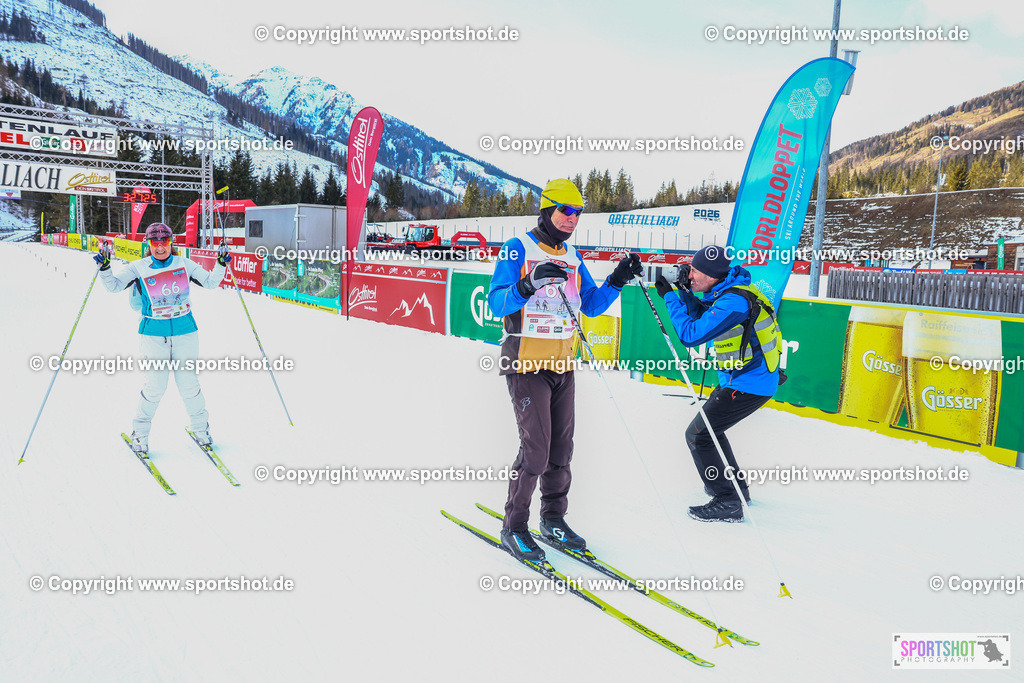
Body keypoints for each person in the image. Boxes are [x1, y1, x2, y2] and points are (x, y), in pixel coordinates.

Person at [488, 178, 643, 561]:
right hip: (525, 363)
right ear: (546, 210)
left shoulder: (573, 257)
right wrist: (528, 284)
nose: (572, 218)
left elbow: (591, 304)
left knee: (561, 449)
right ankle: (514, 526)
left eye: (578, 213)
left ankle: (553, 519)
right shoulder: (518, 248)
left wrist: (617, 280)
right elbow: (496, 303)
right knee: (536, 451)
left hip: (562, 364)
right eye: (565, 211)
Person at [654, 245, 783, 523]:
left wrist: (671, 299)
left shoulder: (734, 301)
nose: (690, 275)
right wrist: (684, 292)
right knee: (711, 432)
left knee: (698, 436)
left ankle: (727, 500)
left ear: (713, 275)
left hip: (748, 384)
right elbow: (705, 315)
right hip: (745, 380)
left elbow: (691, 335)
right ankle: (736, 490)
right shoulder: (729, 292)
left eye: (695, 271)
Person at [94, 223, 231, 453]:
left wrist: (220, 264)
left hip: (185, 331)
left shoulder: (183, 263)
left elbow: (210, 282)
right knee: (155, 386)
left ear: (171, 243)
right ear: (148, 244)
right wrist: (105, 268)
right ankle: (140, 434)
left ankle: (201, 429)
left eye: (164, 242)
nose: (160, 247)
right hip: (153, 334)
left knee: (189, 384)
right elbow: (114, 287)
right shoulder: (138, 267)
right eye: (155, 242)